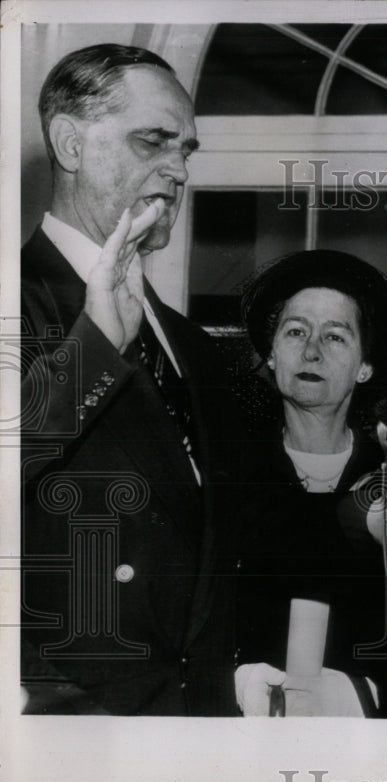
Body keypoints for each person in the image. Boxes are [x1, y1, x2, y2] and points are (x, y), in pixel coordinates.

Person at [19, 43, 248, 715]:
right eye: (153, 141)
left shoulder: (193, 347)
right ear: (69, 142)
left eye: (185, 150)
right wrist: (92, 348)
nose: (177, 170)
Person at [234, 249, 387, 717]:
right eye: (295, 332)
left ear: (365, 365)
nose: (311, 350)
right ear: (271, 354)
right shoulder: (226, 474)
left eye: (335, 336)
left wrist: (364, 698)